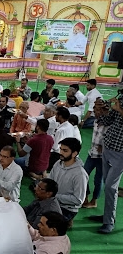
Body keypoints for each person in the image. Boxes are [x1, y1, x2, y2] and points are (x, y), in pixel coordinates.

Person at [88, 97, 123, 234]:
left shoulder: (119, 104)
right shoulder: (120, 100)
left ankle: (109, 222)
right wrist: (102, 109)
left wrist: (118, 108)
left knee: (110, 186)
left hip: (120, 153)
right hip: (108, 148)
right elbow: (106, 120)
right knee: (107, 184)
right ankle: (107, 217)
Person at [48, 138, 88, 224]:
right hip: (52, 201)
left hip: (67, 209)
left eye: (65, 150)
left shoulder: (80, 174)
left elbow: (78, 200)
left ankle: (68, 220)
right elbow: (49, 181)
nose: (61, 153)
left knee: (45, 223)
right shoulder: (58, 163)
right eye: (61, 149)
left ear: (74, 153)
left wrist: (54, 196)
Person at [83, 105, 108, 208]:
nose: (95, 112)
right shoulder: (95, 121)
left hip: (102, 157)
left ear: (103, 110)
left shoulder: (108, 124)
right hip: (92, 153)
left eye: (97, 110)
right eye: (94, 110)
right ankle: (86, 196)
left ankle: (94, 201)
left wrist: (104, 146)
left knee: (98, 179)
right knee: (84, 174)